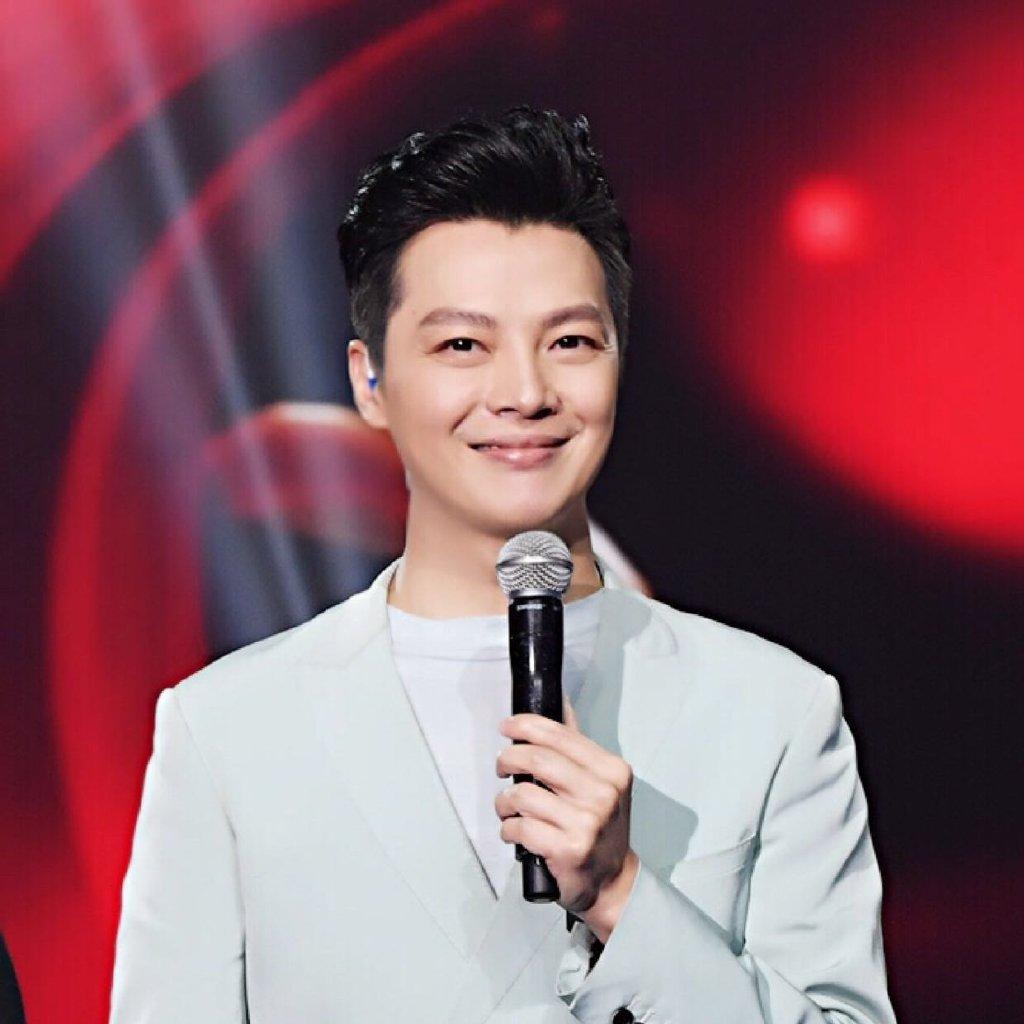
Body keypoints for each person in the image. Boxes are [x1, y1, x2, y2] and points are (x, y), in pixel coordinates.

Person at [109, 105, 897, 1024]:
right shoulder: (226, 730)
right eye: (462, 345)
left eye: (569, 342)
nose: (524, 393)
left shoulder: (775, 709)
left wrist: (622, 896)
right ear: (369, 380)